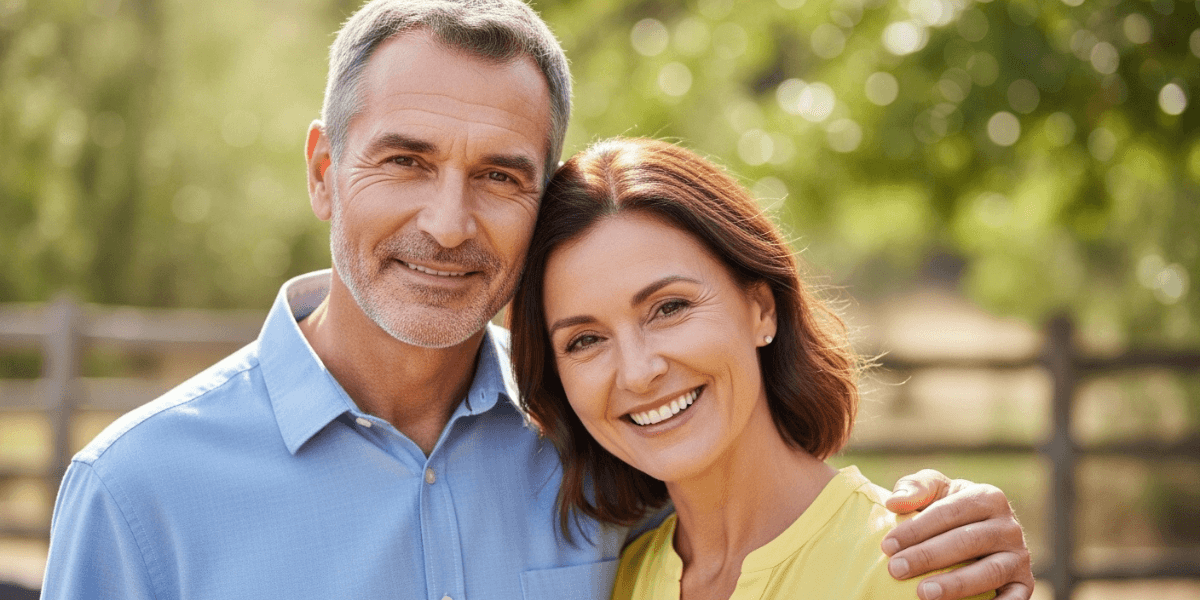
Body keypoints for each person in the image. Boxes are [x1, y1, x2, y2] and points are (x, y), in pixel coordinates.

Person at [40, 2, 1032, 599]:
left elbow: (777, 519)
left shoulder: (605, 445)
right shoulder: (139, 493)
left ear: (542, 199)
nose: (447, 222)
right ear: (323, 171)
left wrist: (960, 528)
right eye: (405, 160)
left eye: (500, 176)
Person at [509, 137, 1020, 600]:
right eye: (586, 340)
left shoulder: (916, 569)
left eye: (669, 308)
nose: (638, 373)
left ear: (761, 309)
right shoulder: (618, 584)